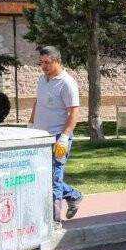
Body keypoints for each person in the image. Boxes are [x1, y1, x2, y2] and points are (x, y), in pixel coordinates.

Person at [31, 46, 84, 223]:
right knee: (42, 176)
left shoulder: (67, 83)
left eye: (47, 62)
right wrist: (31, 124)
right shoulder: (42, 80)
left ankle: (54, 222)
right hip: (40, 137)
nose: (44, 66)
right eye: (41, 63)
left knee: (53, 178)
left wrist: (64, 138)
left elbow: (74, 113)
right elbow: (37, 103)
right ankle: (74, 195)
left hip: (58, 138)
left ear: (58, 61)